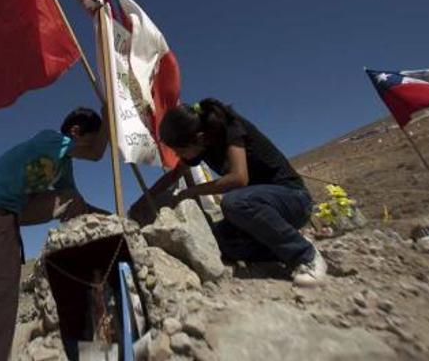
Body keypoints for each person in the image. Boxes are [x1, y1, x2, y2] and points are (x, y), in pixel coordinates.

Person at [137, 98, 327, 287]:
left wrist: (190, 192)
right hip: (262, 211)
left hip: (293, 200)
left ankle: (305, 255)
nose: (179, 157)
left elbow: (239, 178)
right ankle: (287, 243)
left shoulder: (230, 128)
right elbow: (173, 175)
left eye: (180, 151)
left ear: (200, 138)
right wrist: (145, 198)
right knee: (218, 241)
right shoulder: (201, 146)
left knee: (234, 203)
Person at [0, 107, 109, 361]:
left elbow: (75, 203)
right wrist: (109, 115)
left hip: (14, 208)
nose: (87, 147)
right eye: (89, 138)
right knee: (3, 287)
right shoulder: (51, 139)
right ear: (76, 132)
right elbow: (96, 154)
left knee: (70, 199)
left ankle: (87, 272)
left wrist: (108, 219)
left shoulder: (63, 164)